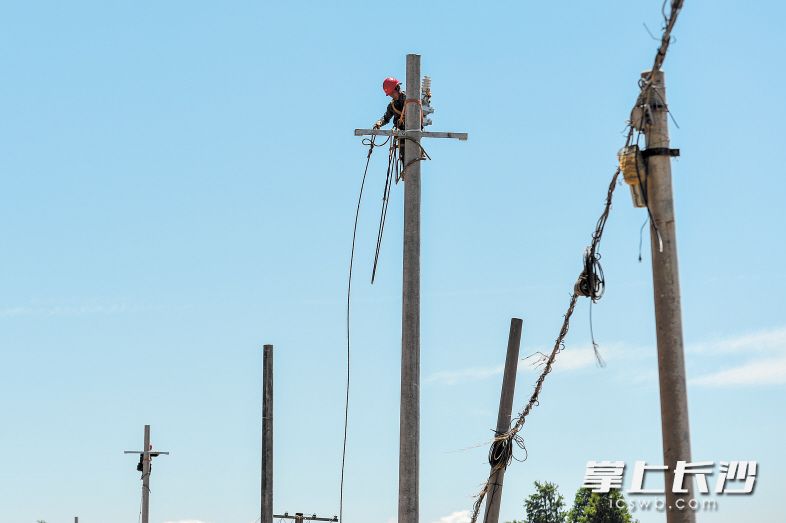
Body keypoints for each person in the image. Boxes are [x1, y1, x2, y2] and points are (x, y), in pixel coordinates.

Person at [373, 77, 407, 166]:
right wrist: (379, 122)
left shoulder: (409, 99)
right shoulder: (392, 106)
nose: (392, 95)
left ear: (397, 88)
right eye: (390, 94)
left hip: (412, 128)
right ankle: (407, 171)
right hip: (401, 132)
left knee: (411, 150)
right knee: (403, 153)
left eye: (392, 93)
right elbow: (386, 118)